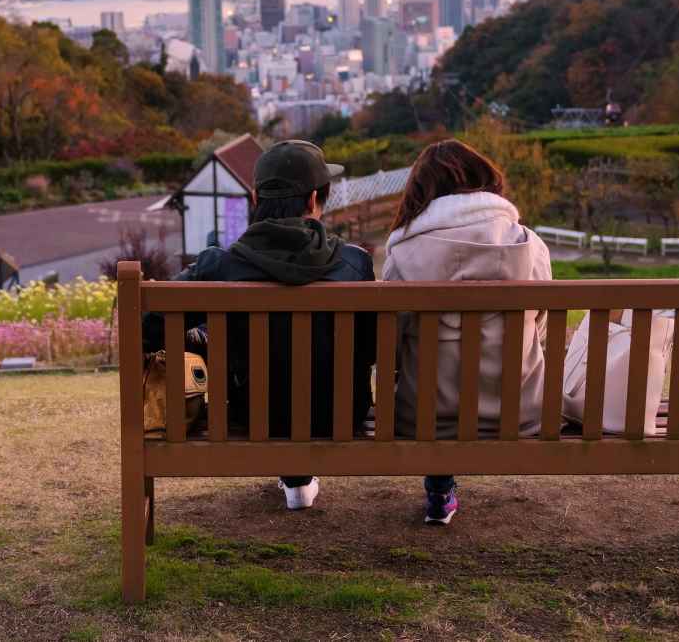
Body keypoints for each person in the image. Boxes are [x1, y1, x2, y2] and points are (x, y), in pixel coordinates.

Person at [143, 140, 376, 510]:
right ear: (315, 199)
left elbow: (148, 329)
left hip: (252, 417)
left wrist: (202, 339)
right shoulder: (354, 264)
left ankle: (296, 479)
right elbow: (372, 348)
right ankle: (298, 479)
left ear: (255, 197)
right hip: (341, 416)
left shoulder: (218, 267)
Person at [382, 139, 552, 524]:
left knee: (432, 377)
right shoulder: (529, 245)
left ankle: (439, 490)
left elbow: (391, 343)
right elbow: (539, 326)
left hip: (424, 416)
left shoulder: (403, 253)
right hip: (521, 412)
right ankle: (441, 492)